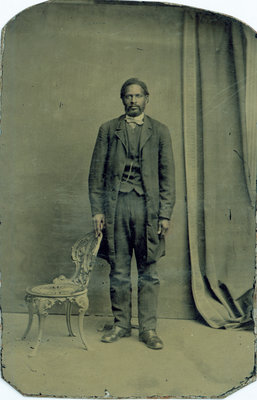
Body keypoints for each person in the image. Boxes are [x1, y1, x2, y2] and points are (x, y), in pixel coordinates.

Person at [88, 78, 175, 350]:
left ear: (147, 98)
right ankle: (121, 324)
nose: (133, 101)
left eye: (138, 96)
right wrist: (98, 210)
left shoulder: (160, 131)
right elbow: (96, 176)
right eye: (129, 96)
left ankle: (148, 329)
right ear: (122, 99)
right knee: (119, 269)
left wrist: (165, 214)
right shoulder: (108, 130)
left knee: (149, 270)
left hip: (147, 209)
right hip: (116, 207)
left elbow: (167, 177)